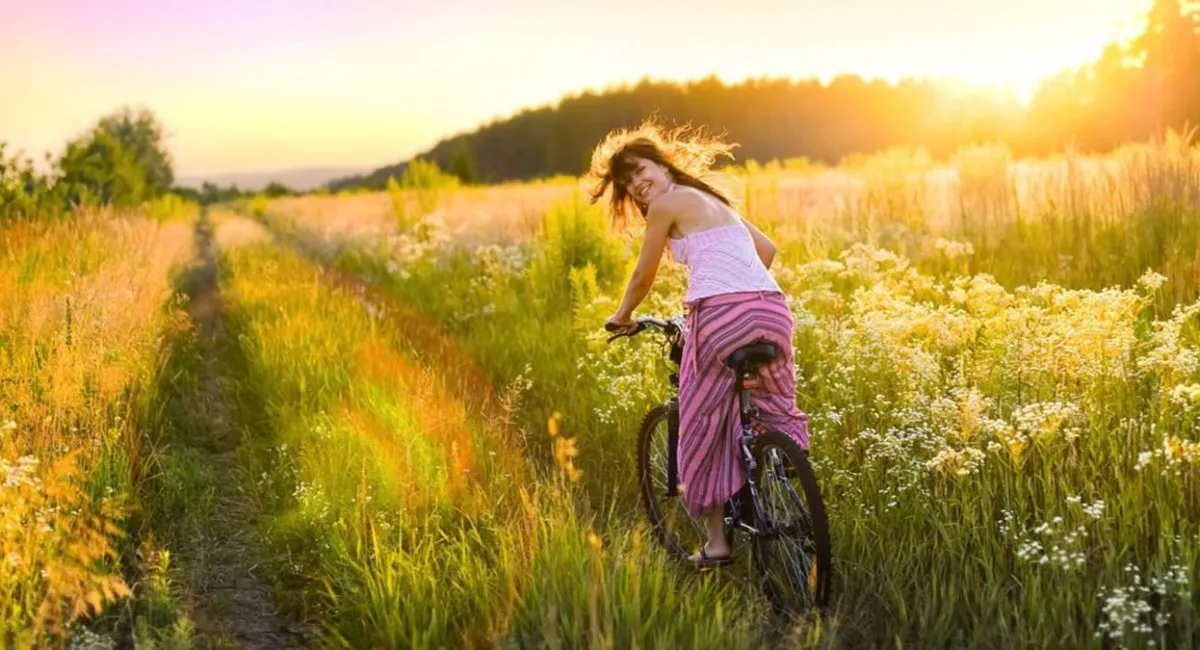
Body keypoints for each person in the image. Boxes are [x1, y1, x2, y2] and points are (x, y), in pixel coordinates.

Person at [586, 120, 811, 568]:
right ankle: (784, 458)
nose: (637, 183)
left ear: (662, 164)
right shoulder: (716, 201)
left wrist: (622, 315)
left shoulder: (664, 205)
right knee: (772, 401)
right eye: (628, 182)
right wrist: (738, 287)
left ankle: (717, 544)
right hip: (771, 309)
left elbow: (643, 274)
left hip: (720, 317)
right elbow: (767, 250)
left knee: (701, 421)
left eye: (640, 170)